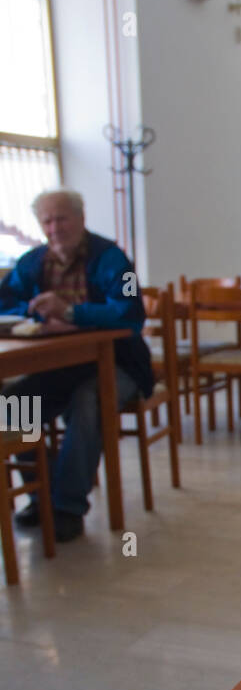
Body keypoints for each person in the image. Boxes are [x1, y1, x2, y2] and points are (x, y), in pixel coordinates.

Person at [0, 188, 152, 542]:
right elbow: (7, 301)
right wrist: (33, 310)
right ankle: (42, 496)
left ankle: (67, 506)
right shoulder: (32, 261)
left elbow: (132, 313)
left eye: (62, 218)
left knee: (87, 402)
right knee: (15, 405)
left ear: (81, 219)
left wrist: (71, 313)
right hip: (58, 366)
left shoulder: (114, 258)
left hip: (120, 363)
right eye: (47, 220)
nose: (54, 227)